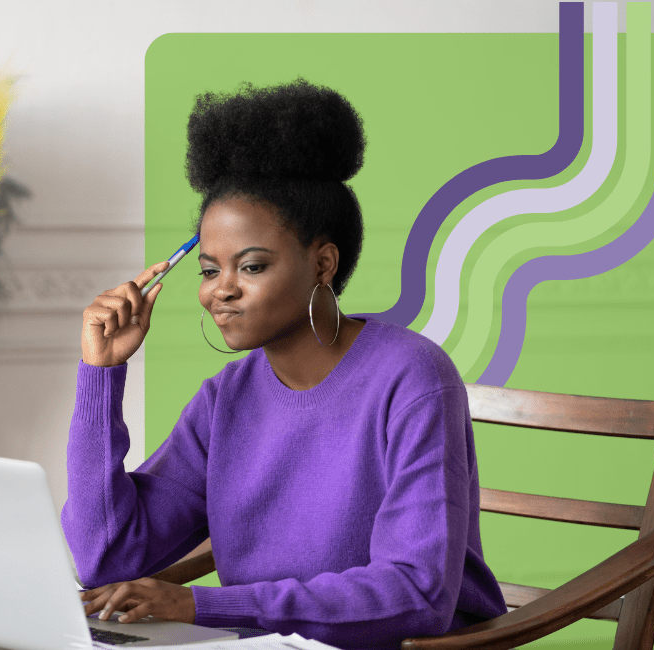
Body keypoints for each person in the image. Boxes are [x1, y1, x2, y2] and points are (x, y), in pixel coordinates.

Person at [62, 79, 508, 649]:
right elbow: (105, 556)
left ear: (322, 263)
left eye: (250, 267)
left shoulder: (413, 378)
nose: (220, 291)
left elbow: (416, 593)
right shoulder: (227, 398)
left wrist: (205, 605)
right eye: (208, 270)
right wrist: (101, 376)